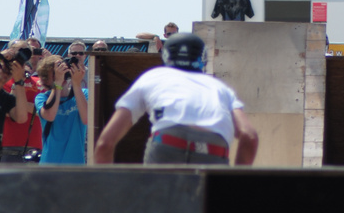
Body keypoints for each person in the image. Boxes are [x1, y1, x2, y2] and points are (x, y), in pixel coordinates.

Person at [94, 32, 258, 166]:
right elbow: (249, 136)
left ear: (166, 55)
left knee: (159, 206)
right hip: (214, 150)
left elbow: (105, 144)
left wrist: (106, 196)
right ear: (203, 59)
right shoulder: (221, 88)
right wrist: (236, 182)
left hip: (167, 144)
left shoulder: (152, 77)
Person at [35, 54, 88, 164]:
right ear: (46, 79)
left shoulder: (83, 94)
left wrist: (76, 84)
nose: (61, 74)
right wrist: (57, 84)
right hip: (49, 164)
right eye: (55, 73)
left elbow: (87, 119)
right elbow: (49, 116)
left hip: (75, 165)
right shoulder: (42, 98)